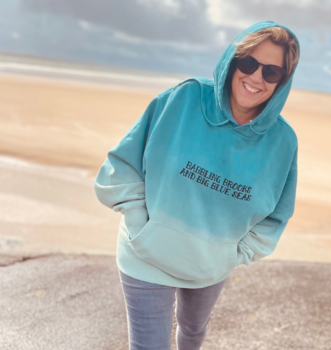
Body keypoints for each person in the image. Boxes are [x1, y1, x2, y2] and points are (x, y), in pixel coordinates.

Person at [94, 20, 300, 350]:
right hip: (144, 256)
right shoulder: (184, 98)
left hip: (210, 267)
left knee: (192, 331)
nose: (256, 77)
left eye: (271, 72)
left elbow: (276, 216)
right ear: (233, 62)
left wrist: (232, 255)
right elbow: (121, 167)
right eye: (248, 63)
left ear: (282, 81)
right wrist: (142, 226)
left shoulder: (283, 142)